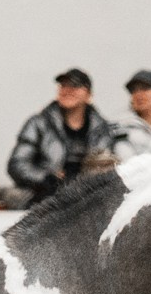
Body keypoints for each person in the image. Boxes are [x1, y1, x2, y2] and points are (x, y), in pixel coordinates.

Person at [6, 68, 117, 206]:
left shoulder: (101, 129)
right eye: (63, 85)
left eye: (75, 86)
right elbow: (17, 164)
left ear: (89, 95)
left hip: (85, 198)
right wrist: (46, 178)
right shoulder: (39, 123)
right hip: (43, 196)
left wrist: (81, 181)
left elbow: (105, 166)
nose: (68, 90)